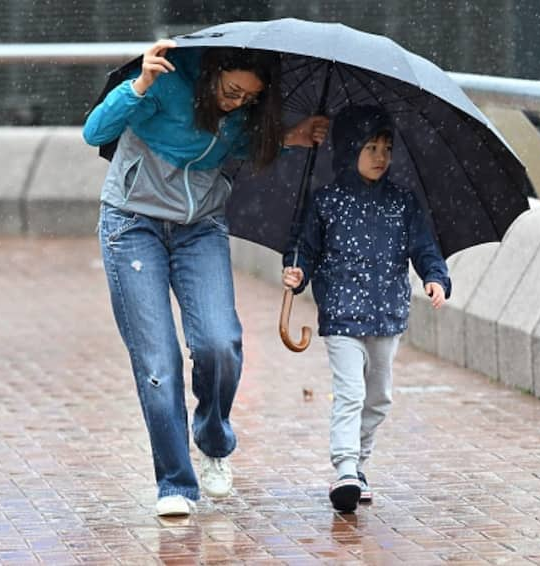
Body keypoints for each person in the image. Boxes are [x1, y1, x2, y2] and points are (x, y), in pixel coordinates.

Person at [83, 39, 328, 517]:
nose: (236, 103)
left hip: (200, 230)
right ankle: (175, 482)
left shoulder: (241, 114)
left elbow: (237, 141)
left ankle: (213, 439)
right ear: (213, 70)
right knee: (159, 362)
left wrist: (288, 135)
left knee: (220, 344)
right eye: (232, 91)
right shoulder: (166, 82)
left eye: (249, 98)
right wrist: (139, 85)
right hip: (132, 225)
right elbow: (95, 133)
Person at [282, 105, 451, 513]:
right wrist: (297, 272)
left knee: (379, 397)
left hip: (387, 316)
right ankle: (344, 468)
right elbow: (305, 248)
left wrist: (435, 277)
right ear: (348, 150)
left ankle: (358, 463)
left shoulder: (402, 202)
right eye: (370, 147)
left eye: (386, 148)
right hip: (341, 316)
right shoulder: (325, 202)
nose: (380, 156)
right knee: (351, 393)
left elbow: (425, 248)